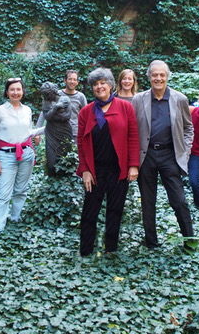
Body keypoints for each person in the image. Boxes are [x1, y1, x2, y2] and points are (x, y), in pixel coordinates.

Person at [132, 60, 195, 250]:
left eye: (162, 75)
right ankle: (152, 243)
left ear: (167, 76)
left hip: (170, 155)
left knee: (179, 201)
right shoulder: (138, 99)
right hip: (147, 155)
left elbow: (188, 128)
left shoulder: (180, 99)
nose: (158, 78)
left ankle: (190, 241)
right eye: (154, 75)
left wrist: (185, 153)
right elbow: (133, 131)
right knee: (148, 202)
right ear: (149, 77)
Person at [77, 68, 140, 256]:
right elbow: (80, 142)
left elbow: (133, 136)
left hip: (118, 169)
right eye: (95, 84)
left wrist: (133, 165)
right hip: (95, 170)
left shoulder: (125, 107)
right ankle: (86, 251)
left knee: (115, 210)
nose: (99, 87)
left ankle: (110, 249)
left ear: (111, 85)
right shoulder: (86, 111)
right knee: (89, 212)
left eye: (103, 83)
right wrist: (85, 170)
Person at [0, 78, 41, 233]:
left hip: (26, 154)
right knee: (4, 193)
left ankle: (16, 218)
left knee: (21, 189)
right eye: (12, 89)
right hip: (6, 156)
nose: (15, 92)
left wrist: (43, 131)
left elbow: (28, 132)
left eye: (18, 89)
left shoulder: (27, 110)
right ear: (7, 92)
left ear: (23, 92)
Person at [40, 81, 73, 176]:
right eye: (45, 94)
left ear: (54, 91)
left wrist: (52, 116)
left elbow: (67, 116)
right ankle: (51, 185)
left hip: (64, 132)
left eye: (48, 94)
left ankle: (64, 185)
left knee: (65, 161)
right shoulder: (46, 101)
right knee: (51, 164)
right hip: (51, 133)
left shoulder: (65, 98)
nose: (46, 96)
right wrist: (56, 107)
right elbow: (46, 116)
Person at [59, 69, 87, 140]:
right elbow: (45, 111)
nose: (72, 82)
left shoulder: (81, 96)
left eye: (74, 79)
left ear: (77, 82)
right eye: (70, 79)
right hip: (59, 132)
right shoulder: (57, 94)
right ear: (65, 80)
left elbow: (87, 115)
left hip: (75, 133)